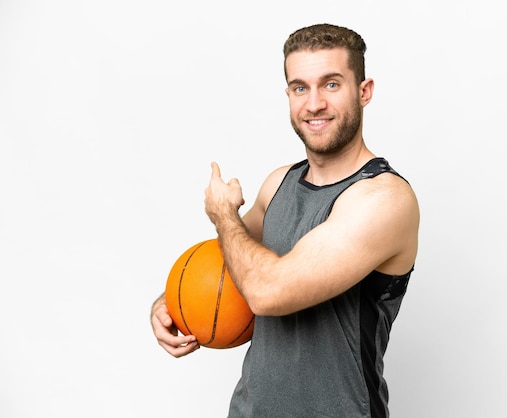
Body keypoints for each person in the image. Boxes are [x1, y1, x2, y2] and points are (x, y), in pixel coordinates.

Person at [150, 23, 420, 418]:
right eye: (300, 87)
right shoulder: (279, 183)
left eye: (331, 84)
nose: (313, 104)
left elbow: (265, 291)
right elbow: (230, 264)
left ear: (364, 91)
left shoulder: (384, 199)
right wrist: (170, 303)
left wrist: (224, 213)